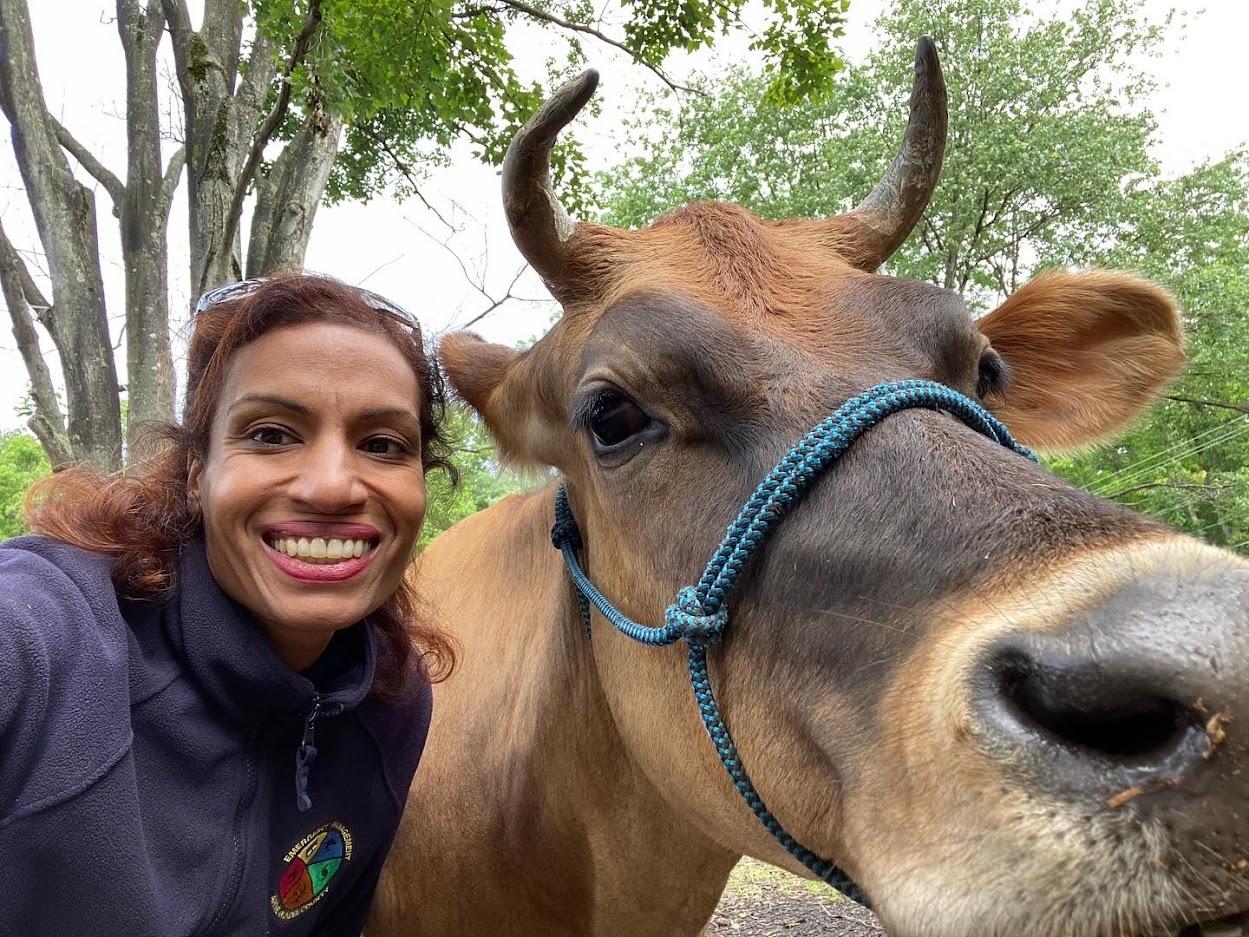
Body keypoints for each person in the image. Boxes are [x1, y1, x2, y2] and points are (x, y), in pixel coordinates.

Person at [0, 274, 455, 936]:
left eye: (382, 444)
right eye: (271, 434)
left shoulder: (391, 704)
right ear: (196, 474)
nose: (331, 487)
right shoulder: (50, 630)